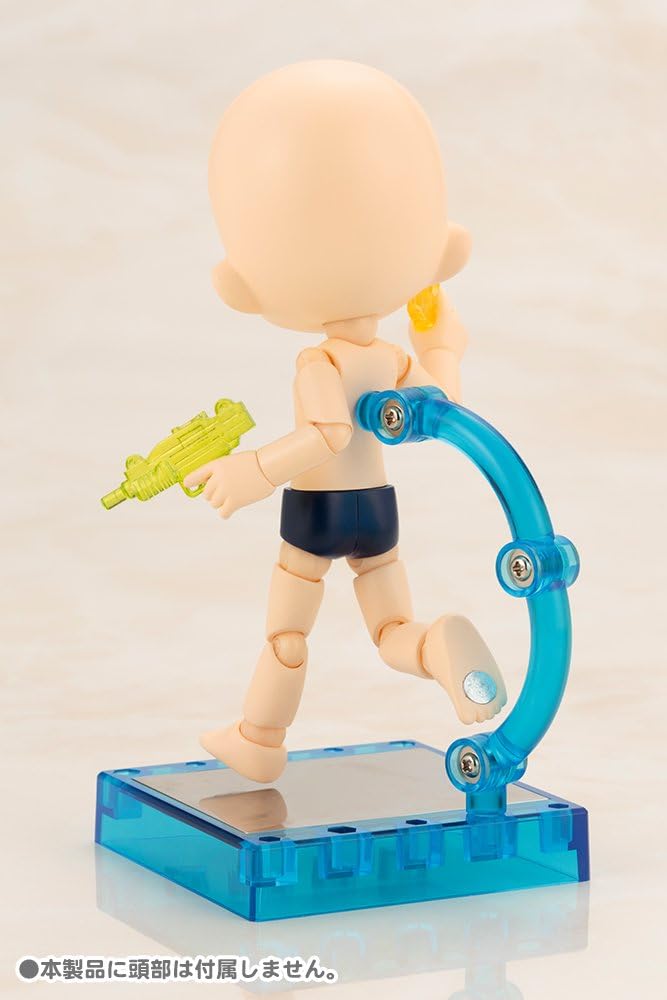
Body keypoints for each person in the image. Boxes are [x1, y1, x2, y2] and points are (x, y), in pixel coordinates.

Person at [184, 60, 506, 783]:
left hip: (316, 514)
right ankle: (435, 645)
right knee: (390, 626)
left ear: (243, 283)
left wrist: (252, 470)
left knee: (288, 634)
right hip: (378, 512)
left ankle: (260, 738)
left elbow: (327, 435)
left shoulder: (318, 362)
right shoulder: (391, 358)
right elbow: (442, 404)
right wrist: (441, 346)